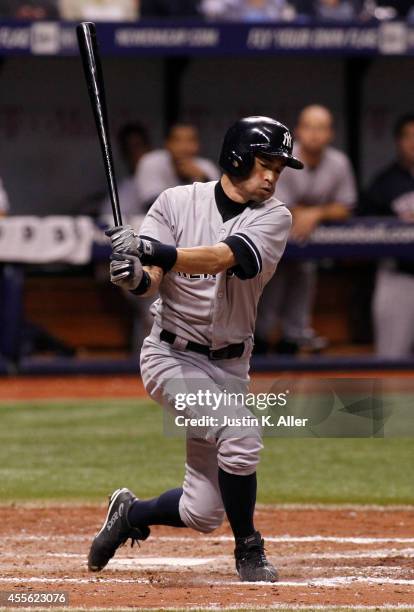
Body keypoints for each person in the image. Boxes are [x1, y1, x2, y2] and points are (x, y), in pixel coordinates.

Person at [87, 116, 303, 582]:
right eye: (265, 164)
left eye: (279, 169)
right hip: (170, 357)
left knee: (203, 512)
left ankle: (130, 514)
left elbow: (224, 256)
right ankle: (249, 549)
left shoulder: (274, 216)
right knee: (241, 436)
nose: (272, 177)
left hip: (230, 365)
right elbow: (152, 284)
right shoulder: (175, 202)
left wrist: (152, 250)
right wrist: (133, 274)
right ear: (238, 157)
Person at [255, 105, 356, 354]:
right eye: (309, 127)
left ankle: (294, 335)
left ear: (330, 133)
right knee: (270, 285)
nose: (314, 134)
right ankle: (262, 337)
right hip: (274, 235)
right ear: (299, 130)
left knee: (305, 273)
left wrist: (316, 213)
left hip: (308, 238)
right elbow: (277, 204)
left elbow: (347, 206)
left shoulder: (338, 162)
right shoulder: (283, 158)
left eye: (321, 128)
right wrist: (309, 213)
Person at [361, 114, 414, 357]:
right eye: (408, 137)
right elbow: (362, 228)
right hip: (397, 275)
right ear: (398, 141)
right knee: (391, 358)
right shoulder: (384, 182)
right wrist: (396, 226)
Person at [135, 123, 220, 211]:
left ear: (198, 145)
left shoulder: (207, 169)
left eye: (190, 140)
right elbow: (152, 204)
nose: (184, 147)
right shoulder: (151, 162)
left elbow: (217, 208)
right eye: (177, 141)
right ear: (167, 144)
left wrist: (203, 180)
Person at [100, 122, 151, 218]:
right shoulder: (122, 193)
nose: (135, 153)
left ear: (149, 148)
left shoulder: (170, 178)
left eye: (138, 146)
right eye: (129, 148)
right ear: (123, 154)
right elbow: (108, 220)